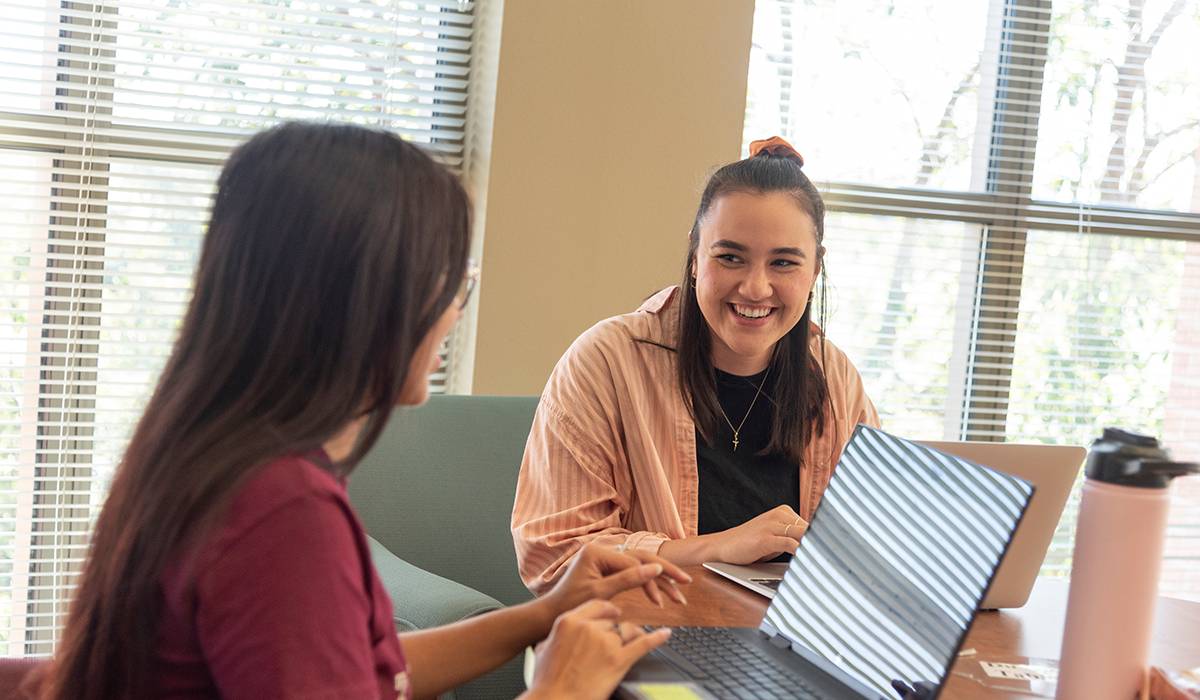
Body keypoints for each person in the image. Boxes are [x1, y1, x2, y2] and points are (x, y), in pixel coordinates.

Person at [34, 122, 689, 700]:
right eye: (450, 280)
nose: (455, 309)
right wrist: (561, 691)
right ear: (370, 299)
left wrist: (543, 615)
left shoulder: (212, 455)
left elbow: (366, 674)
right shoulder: (283, 512)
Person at [512, 136, 879, 594]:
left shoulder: (836, 379)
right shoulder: (606, 361)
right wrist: (719, 548)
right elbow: (556, 556)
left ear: (815, 270)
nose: (755, 288)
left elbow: (872, 551)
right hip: (641, 630)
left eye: (784, 262)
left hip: (791, 643)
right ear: (693, 256)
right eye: (730, 257)